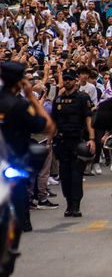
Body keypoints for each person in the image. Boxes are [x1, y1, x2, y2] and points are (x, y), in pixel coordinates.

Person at [0, 62, 54, 234]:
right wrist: (31, 97)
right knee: (20, 195)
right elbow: (47, 127)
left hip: (9, 162)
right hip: (14, 159)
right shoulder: (20, 105)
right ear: (19, 82)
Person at [52, 69, 95, 217]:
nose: (67, 81)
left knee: (76, 175)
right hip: (62, 141)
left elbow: (89, 120)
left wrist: (92, 139)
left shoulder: (83, 98)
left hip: (77, 140)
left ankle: (76, 205)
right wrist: (49, 143)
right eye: (65, 79)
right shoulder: (58, 100)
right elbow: (53, 123)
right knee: (64, 175)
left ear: (75, 81)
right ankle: (69, 204)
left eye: (70, 79)